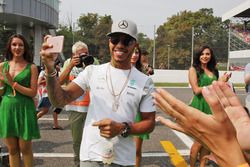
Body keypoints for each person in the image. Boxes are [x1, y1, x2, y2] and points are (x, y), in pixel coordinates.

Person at [40, 19, 155, 167]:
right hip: (91, 156)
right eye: (115, 39)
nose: (120, 45)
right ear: (109, 42)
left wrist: (123, 128)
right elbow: (60, 100)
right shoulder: (92, 71)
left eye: (126, 41)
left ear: (135, 45)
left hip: (124, 160)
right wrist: (50, 69)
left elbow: (149, 123)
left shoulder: (144, 81)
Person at [153, 81, 250, 167]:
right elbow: (196, 89)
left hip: (214, 107)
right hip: (207, 106)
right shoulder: (195, 70)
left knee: (203, 141)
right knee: (199, 142)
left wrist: (228, 151)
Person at [0, 34, 40, 167]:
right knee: (12, 149)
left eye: (21, 45)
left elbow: (33, 92)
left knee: (25, 149)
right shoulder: (2, 66)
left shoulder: (32, 67)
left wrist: (12, 83)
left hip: (25, 109)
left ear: (25, 47)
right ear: (10, 47)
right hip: (7, 108)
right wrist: (1, 84)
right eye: (14, 44)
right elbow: (1, 91)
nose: (17, 47)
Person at [59, 41, 99, 167]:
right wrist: (71, 65)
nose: (84, 56)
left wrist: (88, 66)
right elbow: (60, 81)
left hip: (91, 108)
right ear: (73, 55)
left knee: (94, 138)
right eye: (80, 54)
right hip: (74, 107)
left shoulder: (94, 61)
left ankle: (94, 161)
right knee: (77, 140)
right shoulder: (68, 63)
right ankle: (77, 163)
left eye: (86, 53)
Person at [188, 46, 219, 166]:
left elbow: (217, 89)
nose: (205, 56)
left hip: (212, 106)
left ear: (211, 56)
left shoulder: (214, 70)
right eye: (202, 54)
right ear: (198, 55)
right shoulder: (193, 69)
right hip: (199, 106)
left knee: (208, 142)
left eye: (207, 54)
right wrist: (216, 84)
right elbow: (196, 90)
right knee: (199, 141)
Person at [131, 46, 150, 167]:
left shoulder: (142, 71)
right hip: (121, 112)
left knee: (136, 150)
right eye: (132, 52)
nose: (134, 55)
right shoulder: (118, 70)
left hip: (138, 112)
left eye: (136, 52)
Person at [37, 61, 63, 130]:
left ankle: (56, 125)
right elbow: (38, 83)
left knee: (56, 108)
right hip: (47, 94)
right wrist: (48, 79)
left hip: (54, 93)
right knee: (45, 110)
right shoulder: (43, 72)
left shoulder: (55, 72)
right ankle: (31, 122)